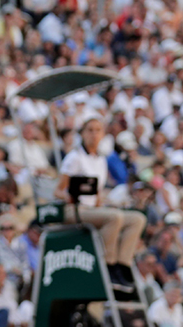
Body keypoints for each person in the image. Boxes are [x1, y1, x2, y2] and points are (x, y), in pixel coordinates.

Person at [56, 118, 146, 285]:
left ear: (103, 134)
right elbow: (58, 190)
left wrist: (103, 204)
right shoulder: (74, 157)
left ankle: (123, 265)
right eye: (90, 130)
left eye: (98, 130)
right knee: (114, 217)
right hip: (74, 209)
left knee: (137, 219)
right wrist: (70, 197)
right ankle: (106, 264)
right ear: (82, 133)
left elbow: (97, 194)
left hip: (92, 210)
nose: (94, 134)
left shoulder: (101, 160)